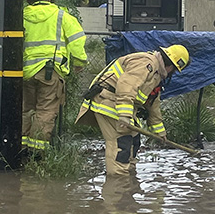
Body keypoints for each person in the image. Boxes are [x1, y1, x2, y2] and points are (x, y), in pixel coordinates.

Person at [76, 45, 190, 178]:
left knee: (134, 141)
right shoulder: (146, 64)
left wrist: (159, 132)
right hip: (110, 101)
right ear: (171, 66)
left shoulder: (156, 73)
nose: (172, 74)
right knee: (121, 144)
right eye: (174, 71)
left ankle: (128, 180)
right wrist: (124, 115)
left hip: (119, 104)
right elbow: (126, 86)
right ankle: (117, 180)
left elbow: (153, 105)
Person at [22, 0, 87, 153]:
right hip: (50, 72)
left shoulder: (21, 16)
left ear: (31, 0)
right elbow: (77, 39)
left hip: (26, 73)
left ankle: (22, 148)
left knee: (27, 110)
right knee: (45, 111)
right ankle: (37, 153)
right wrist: (79, 62)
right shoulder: (61, 15)